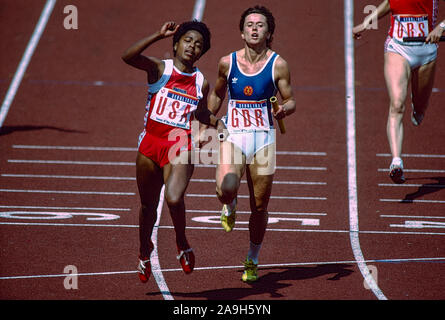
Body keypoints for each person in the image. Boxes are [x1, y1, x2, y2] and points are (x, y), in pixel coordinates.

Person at [204, 5, 296, 282]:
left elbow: (290, 99)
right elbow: (218, 95)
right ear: (242, 32)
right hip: (235, 133)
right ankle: (229, 205)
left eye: (260, 25)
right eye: (250, 25)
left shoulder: (278, 64)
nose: (254, 29)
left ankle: (252, 258)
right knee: (225, 188)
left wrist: (284, 110)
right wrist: (210, 119)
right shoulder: (227, 62)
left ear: (269, 32)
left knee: (259, 207)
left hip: (263, 138)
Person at [121, 20, 211, 283]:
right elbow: (128, 57)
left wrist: (211, 127)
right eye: (188, 40)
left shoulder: (201, 82)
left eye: (198, 45)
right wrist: (157, 35)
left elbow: (203, 113)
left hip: (179, 145)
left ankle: (181, 242)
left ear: (201, 52)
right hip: (150, 145)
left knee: (173, 198)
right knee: (148, 206)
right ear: (176, 44)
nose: (192, 47)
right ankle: (143, 250)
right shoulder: (160, 69)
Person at [353, 0, 445, 184]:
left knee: (419, 110)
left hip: (426, 52)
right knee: (396, 104)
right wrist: (365, 23)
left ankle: (417, 107)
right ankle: (396, 162)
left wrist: (441, 27)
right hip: (398, 48)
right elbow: (389, 3)